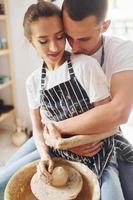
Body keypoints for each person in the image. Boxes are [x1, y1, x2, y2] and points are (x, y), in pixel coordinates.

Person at [0, 2, 125, 200]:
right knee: (3, 181)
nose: (55, 46)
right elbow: (39, 129)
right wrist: (45, 156)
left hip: (99, 154)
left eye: (60, 37)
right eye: (43, 40)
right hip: (57, 154)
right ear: (30, 41)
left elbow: (111, 124)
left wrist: (72, 142)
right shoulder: (33, 82)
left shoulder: (86, 66)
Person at [43, 0, 133, 199]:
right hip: (55, 135)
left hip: (102, 139)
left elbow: (118, 112)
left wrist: (61, 131)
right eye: (68, 37)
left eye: (83, 39)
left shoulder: (123, 50)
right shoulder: (56, 50)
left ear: (105, 26)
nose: (74, 48)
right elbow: (43, 108)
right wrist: (54, 138)